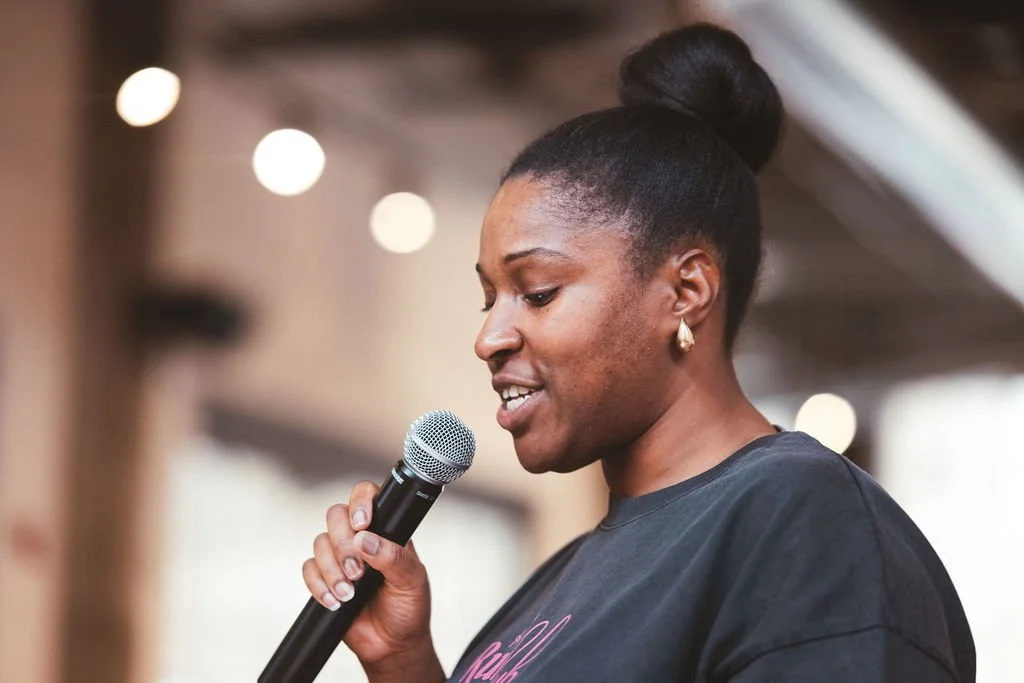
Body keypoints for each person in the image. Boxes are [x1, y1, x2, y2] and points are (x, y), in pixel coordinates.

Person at [300, 23, 976, 682]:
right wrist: (403, 664)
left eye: (536, 292)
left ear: (686, 290)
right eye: (489, 298)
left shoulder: (805, 524)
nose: (489, 338)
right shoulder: (567, 577)